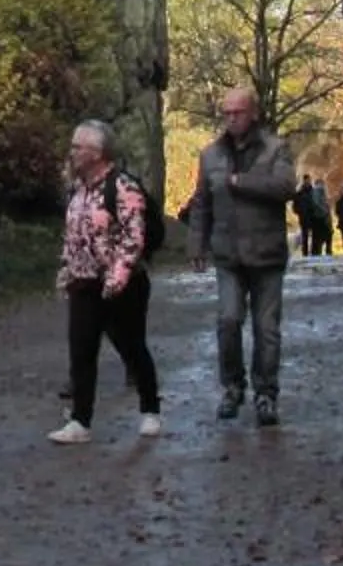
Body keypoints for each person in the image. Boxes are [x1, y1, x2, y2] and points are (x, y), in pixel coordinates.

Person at [50, 119, 162, 444]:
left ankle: (150, 408)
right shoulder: (77, 189)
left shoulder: (123, 186)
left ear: (98, 152)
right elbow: (72, 235)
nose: (72, 153)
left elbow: (134, 236)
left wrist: (117, 277)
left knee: (132, 347)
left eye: (78, 147)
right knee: (81, 351)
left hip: (122, 284)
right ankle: (80, 420)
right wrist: (66, 268)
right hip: (83, 282)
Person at [189, 84, 296, 423]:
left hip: (267, 255)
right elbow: (201, 203)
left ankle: (266, 393)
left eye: (237, 112)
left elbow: (285, 187)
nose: (231, 119)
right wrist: (197, 244)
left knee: (267, 328)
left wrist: (240, 182)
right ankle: (233, 387)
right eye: (226, 113)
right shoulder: (211, 155)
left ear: (253, 113)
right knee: (229, 320)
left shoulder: (276, 149)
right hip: (228, 255)